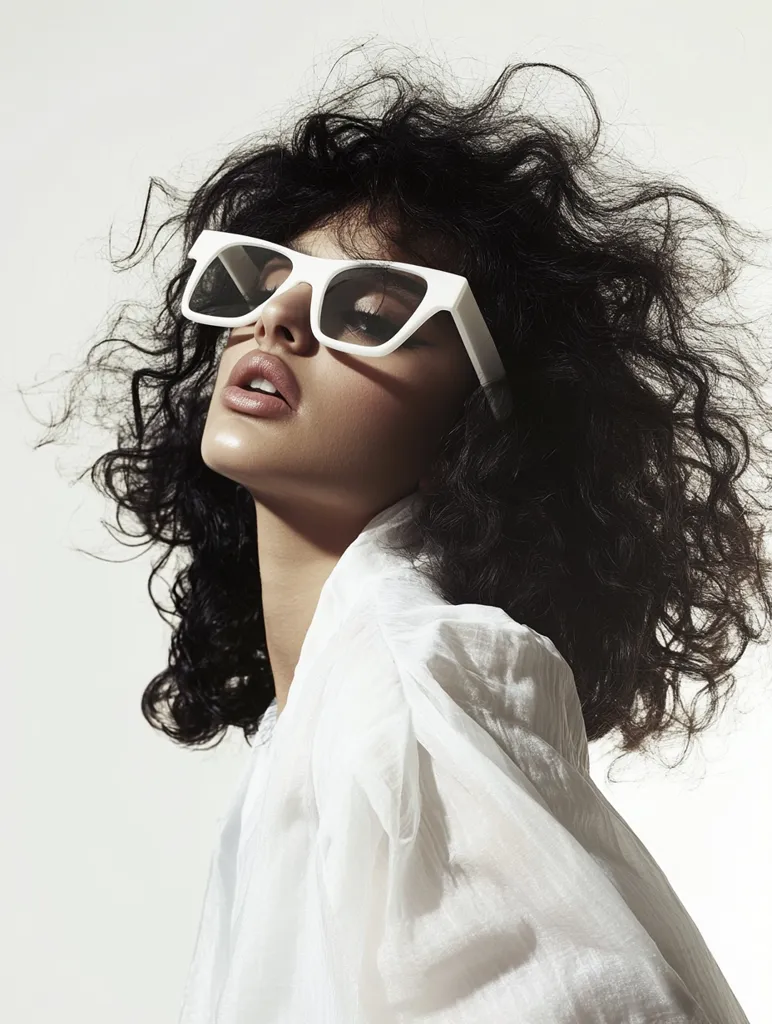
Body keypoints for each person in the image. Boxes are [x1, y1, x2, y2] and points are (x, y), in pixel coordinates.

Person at [30, 47, 772, 1023]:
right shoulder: (322, 719)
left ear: (477, 428)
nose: (277, 320)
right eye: (258, 281)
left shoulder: (411, 687)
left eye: (370, 310)